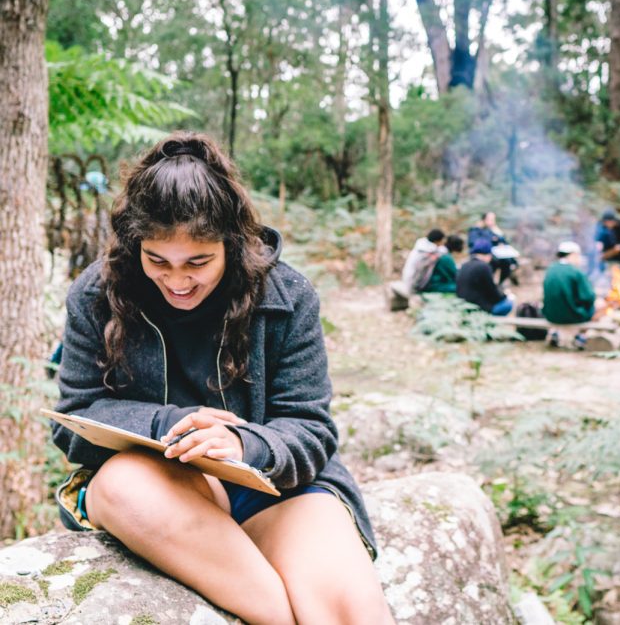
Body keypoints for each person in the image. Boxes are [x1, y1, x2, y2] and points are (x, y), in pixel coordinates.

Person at [51, 132, 393, 625]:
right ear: (135, 244)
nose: (177, 280)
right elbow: (72, 420)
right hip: (154, 484)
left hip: (271, 486)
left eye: (198, 261)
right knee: (123, 486)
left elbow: (311, 429)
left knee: (350, 611)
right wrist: (174, 424)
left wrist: (240, 444)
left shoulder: (286, 294)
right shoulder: (96, 294)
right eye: (157, 260)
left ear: (232, 245)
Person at [542, 241, 596, 349]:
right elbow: (588, 296)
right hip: (572, 315)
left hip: (550, 315)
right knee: (595, 308)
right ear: (573, 254)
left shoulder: (551, 269)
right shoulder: (575, 272)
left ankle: (556, 333)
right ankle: (580, 336)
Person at [456, 238, 515, 316]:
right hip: (478, 308)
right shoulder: (484, 267)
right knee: (509, 303)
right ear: (488, 254)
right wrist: (506, 296)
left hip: (462, 305)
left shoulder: (464, 265)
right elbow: (492, 291)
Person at [468, 211, 519, 284]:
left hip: (493, 255)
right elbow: (474, 244)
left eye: (493, 219)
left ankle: (500, 284)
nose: (492, 222)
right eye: (490, 219)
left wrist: (498, 233)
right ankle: (489, 283)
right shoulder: (475, 230)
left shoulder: (490, 230)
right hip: (481, 255)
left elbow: (503, 241)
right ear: (484, 220)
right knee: (497, 262)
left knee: (508, 261)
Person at [400, 228, 446, 294]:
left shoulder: (421, 246)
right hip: (413, 284)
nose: (442, 243)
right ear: (437, 241)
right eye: (442, 241)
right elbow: (441, 252)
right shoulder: (426, 251)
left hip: (408, 280)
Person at [591, 209, 620, 273]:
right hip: (605, 251)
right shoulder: (600, 225)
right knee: (595, 253)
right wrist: (598, 243)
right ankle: (599, 272)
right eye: (606, 222)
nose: (608, 224)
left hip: (618, 252)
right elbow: (596, 238)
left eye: (610, 222)